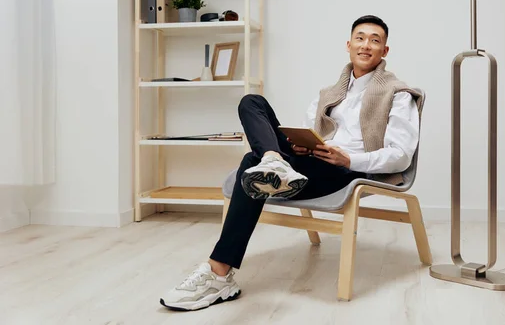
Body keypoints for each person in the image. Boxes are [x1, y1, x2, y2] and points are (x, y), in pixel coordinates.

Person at [159, 15, 422, 311]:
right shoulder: (329, 93)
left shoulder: (398, 95)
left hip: (348, 170)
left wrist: (349, 157)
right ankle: (274, 160)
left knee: (250, 160)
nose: (366, 45)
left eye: (375, 40)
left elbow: (401, 155)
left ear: (384, 51)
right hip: (313, 160)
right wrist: (299, 145)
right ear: (348, 45)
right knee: (252, 102)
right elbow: (313, 131)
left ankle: (219, 272)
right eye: (360, 38)